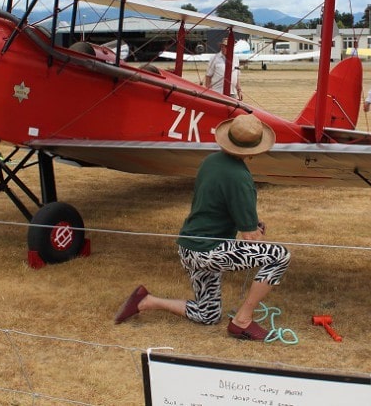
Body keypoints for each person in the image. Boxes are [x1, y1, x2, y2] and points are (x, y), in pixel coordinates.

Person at [113, 114, 290, 341]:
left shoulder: (211, 161)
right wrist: (255, 232)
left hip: (189, 247)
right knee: (279, 256)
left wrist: (249, 224)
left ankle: (147, 301)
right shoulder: (240, 177)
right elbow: (249, 236)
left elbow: (219, 204)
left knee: (208, 315)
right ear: (254, 150)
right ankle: (243, 320)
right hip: (207, 251)